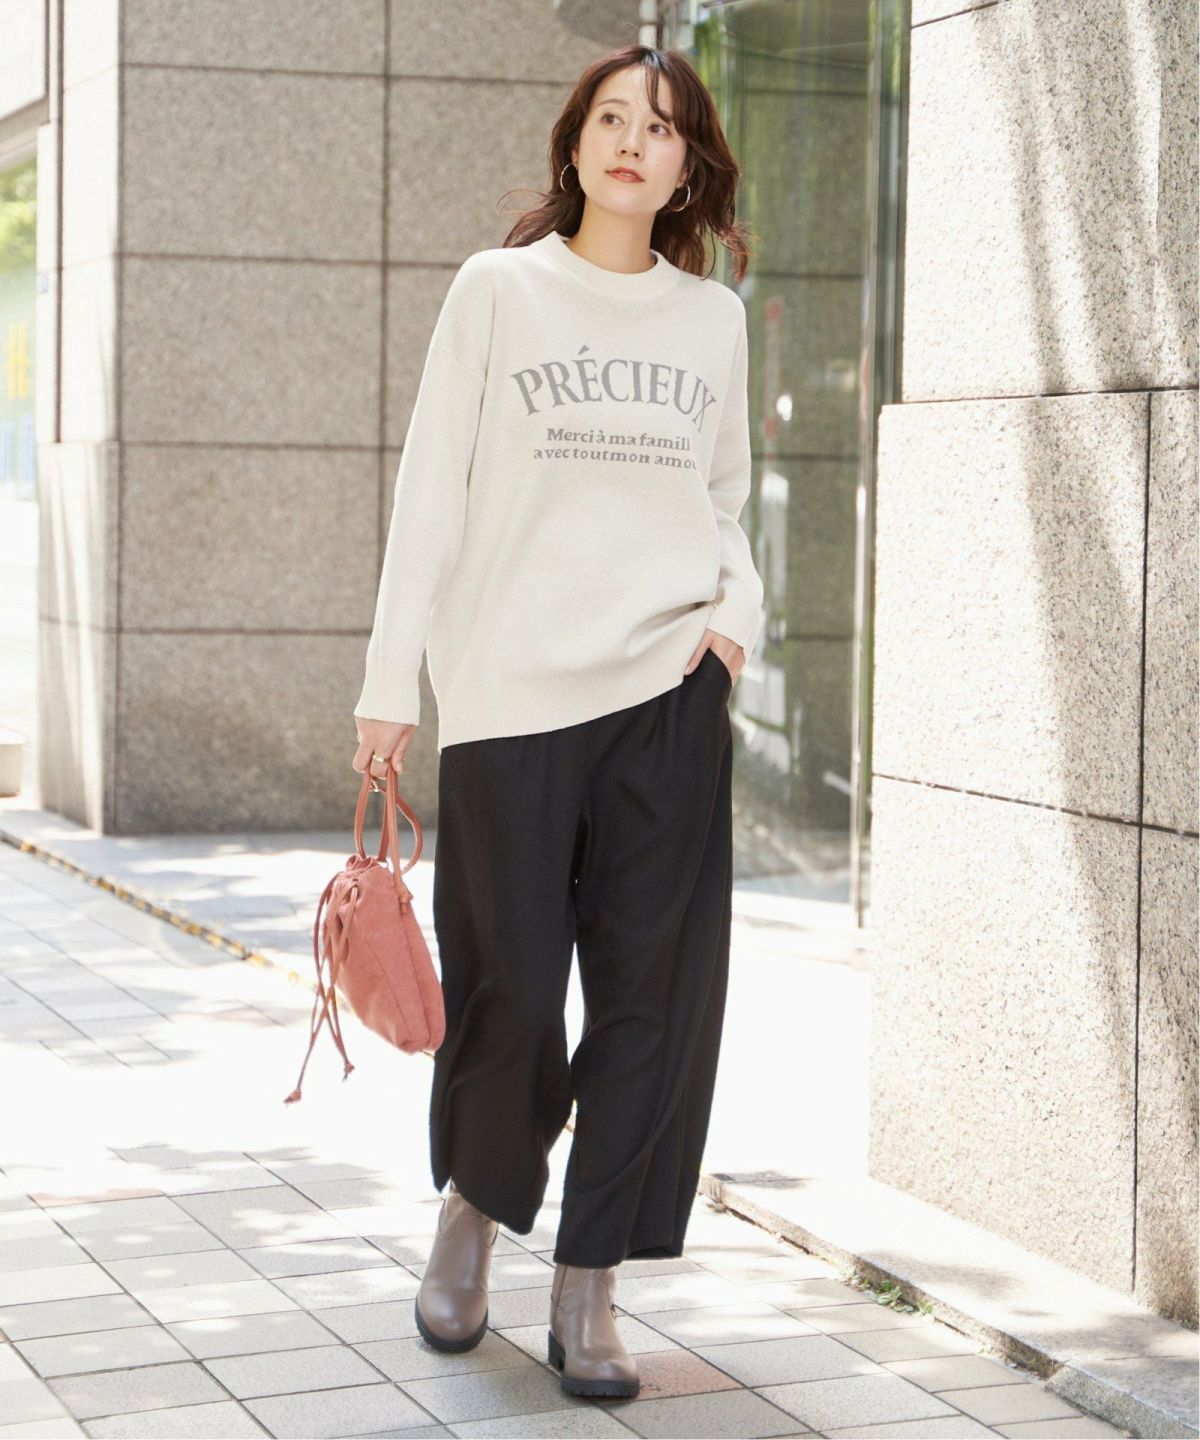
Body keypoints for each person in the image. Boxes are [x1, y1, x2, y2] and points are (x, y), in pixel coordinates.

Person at [351, 42, 764, 1400]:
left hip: (667, 693)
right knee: (513, 988)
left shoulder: (712, 320)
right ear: (576, 144)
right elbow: (431, 490)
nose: (634, 141)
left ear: (688, 165)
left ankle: (591, 1281)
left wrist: (731, 630)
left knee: (651, 997)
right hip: (511, 695)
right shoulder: (500, 288)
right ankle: (475, 1206)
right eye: (612, 119)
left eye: (662, 127)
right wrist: (388, 687)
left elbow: (723, 499)